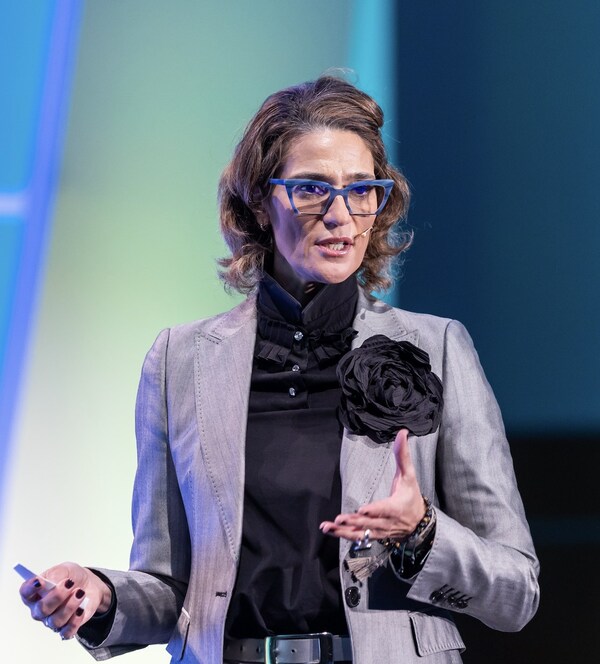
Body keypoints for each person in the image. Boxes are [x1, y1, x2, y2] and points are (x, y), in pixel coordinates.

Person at [19, 76, 539, 663]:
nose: (341, 215)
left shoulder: (438, 347)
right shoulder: (180, 361)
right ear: (261, 204)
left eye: (362, 190)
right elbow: (170, 589)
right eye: (312, 189)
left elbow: (516, 592)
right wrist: (98, 595)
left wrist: (423, 532)